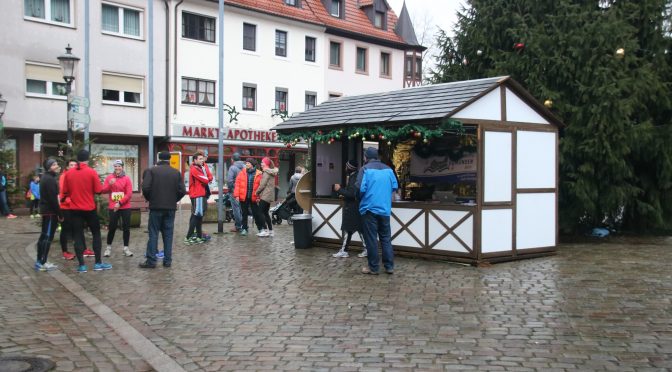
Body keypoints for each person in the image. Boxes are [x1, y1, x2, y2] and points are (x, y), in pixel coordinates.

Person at [61, 149, 112, 273]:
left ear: (77, 159)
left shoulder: (69, 173)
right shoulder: (91, 172)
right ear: (87, 159)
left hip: (74, 209)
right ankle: (98, 263)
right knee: (96, 234)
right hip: (89, 208)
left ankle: (82, 265)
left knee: (78, 235)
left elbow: (65, 191)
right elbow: (98, 190)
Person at [140, 151, 185, 268]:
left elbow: (145, 187)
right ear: (170, 159)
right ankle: (167, 260)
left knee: (153, 233)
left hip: (155, 207)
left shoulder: (151, 171)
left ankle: (151, 261)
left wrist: (150, 198)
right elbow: (182, 191)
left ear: (159, 158)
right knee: (168, 234)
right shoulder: (176, 173)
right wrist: (174, 200)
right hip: (170, 208)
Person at [356, 147, 398, 275]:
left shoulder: (365, 169)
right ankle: (389, 266)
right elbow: (394, 187)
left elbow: (360, 189)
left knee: (371, 239)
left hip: (369, 209)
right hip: (385, 209)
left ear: (365, 157)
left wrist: (360, 200)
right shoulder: (389, 170)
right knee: (386, 238)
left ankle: (373, 267)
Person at [332, 160, 367, 258]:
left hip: (352, 207)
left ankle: (344, 250)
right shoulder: (354, 176)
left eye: (346, 167)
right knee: (358, 229)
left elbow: (351, 194)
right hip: (355, 206)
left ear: (349, 168)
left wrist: (339, 189)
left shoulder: (353, 178)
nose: (345, 168)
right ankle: (366, 249)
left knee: (348, 229)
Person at [101, 160, 133, 258]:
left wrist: (120, 202)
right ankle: (108, 247)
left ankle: (126, 248)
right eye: (115, 166)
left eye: (119, 166)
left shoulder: (127, 179)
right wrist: (109, 184)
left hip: (125, 206)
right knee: (112, 227)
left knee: (126, 227)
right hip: (113, 207)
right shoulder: (109, 178)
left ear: (122, 167)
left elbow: (129, 194)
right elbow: (103, 190)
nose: (117, 168)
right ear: (113, 167)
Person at [34, 159, 62, 271]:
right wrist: (60, 213)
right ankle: (42, 262)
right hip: (50, 212)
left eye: (56, 164)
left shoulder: (47, 177)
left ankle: (40, 260)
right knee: (47, 237)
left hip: (47, 211)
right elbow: (53, 199)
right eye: (54, 164)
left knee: (44, 235)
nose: (57, 166)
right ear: (49, 167)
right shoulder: (49, 179)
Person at [185, 151, 212, 245]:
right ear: (195, 160)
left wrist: (207, 178)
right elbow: (205, 179)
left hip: (201, 194)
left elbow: (209, 177)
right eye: (200, 159)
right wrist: (207, 179)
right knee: (196, 215)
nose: (202, 160)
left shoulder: (202, 167)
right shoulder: (194, 168)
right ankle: (189, 237)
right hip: (197, 194)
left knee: (199, 215)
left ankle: (199, 236)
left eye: (203, 158)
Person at [233, 158, 263, 236]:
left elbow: (261, 186)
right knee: (244, 213)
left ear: (252, 164)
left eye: (248, 163)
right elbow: (237, 184)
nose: (246, 164)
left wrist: (259, 197)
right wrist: (236, 195)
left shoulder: (259, 174)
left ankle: (260, 228)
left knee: (256, 213)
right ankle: (244, 228)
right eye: (246, 163)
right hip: (244, 196)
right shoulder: (242, 173)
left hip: (254, 197)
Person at [58, 159, 78, 260]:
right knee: (65, 230)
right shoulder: (63, 177)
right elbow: (63, 193)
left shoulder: (77, 176)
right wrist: (74, 201)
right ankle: (65, 251)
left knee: (77, 228)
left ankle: (81, 249)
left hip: (75, 207)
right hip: (65, 207)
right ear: (67, 167)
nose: (73, 166)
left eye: (75, 165)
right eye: (71, 165)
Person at [255, 157, 278, 237]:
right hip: (269, 195)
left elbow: (262, 185)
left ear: (266, 164)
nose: (261, 164)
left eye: (262, 162)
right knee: (265, 213)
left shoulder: (266, 172)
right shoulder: (271, 172)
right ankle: (271, 231)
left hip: (265, 195)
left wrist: (256, 192)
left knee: (260, 212)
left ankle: (265, 230)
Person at [226, 152, 245, 232]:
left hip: (235, 191)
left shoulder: (232, 168)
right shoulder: (245, 167)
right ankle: (244, 225)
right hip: (244, 191)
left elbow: (229, 181)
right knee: (242, 209)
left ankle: (238, 226)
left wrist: (230, 189)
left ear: (232, 159)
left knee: (236, 209)